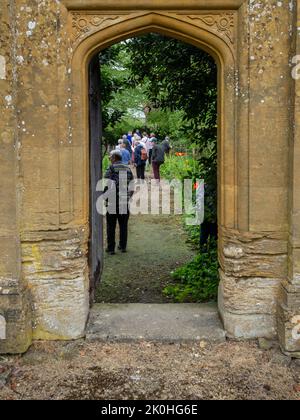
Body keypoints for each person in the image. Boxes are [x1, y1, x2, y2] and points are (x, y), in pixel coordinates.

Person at [105, 150, 134, 255]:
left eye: (110, 157)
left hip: (112, 201)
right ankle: (123, 246)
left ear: (114, 158)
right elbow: (132, 186)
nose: (109, 159)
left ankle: (111, 248)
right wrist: (128, 197)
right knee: (123, 225)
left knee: (111, 225)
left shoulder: (111, 168)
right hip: (123, 200)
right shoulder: (128, 169)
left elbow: (105, 183)